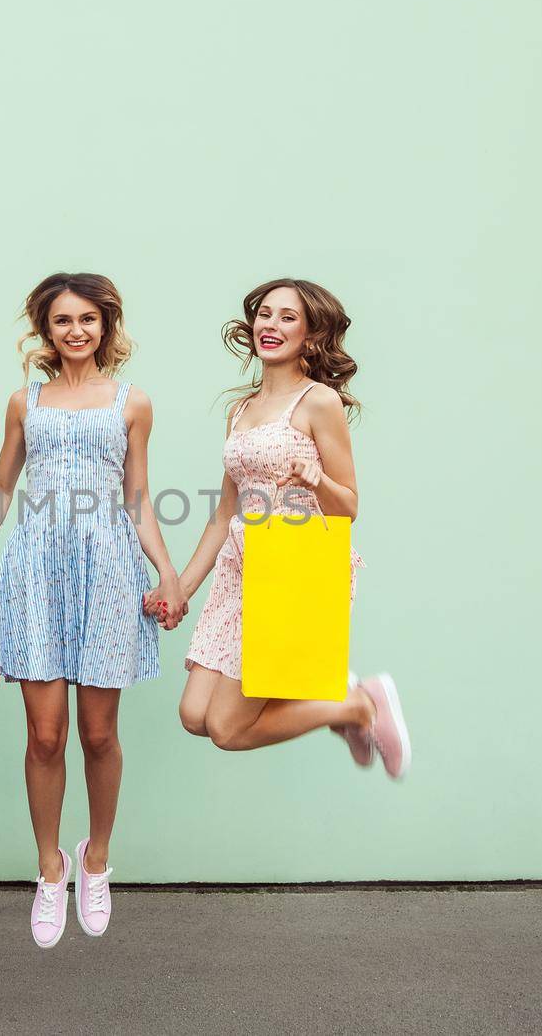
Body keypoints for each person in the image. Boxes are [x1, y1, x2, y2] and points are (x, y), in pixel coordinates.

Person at [0, 272, 184, 948]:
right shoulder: (24, 402)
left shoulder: (133, 402)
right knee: (45, 734)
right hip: (36, 568)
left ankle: (97, 858)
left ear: (105, 325)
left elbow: (138, 496)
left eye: (88, 319)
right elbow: (1, 488)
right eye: (63, 321)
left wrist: (167, 571)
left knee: (99, 734)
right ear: (45, 330)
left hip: (110, 566)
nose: (76, 330)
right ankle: (50, 867)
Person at [177, 278, 411, 777]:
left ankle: (358, 706)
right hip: (240, 571)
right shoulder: (239, 410)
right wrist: (181, 588)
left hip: (292, 573)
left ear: (309, 334)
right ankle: (343, 701)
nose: (271, 325)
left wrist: (318, 480)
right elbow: (225, 513)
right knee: (194, 716)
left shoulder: (319, 402)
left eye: (288, 317)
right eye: (265, 313)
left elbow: (348, 507)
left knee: (227, 728)